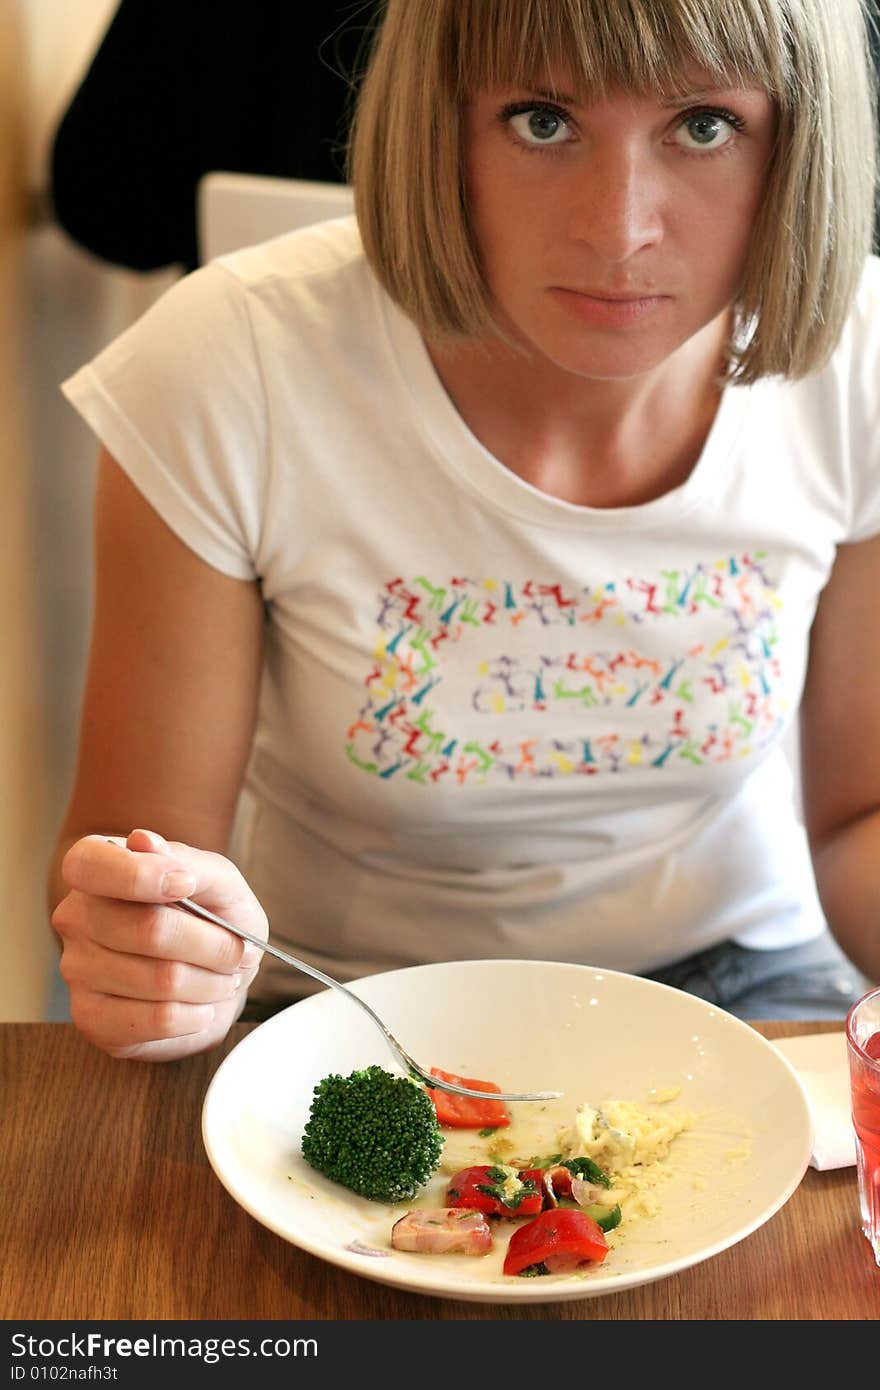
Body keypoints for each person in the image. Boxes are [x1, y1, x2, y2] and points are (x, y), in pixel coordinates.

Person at [51, 0, 880, 1063]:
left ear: (802, 142)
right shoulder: (226, 370)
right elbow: (128, 864)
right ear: (437, 124)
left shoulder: (857, 366)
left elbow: (858, 819)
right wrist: (158, 950)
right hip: (337, 996)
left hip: (744, 980)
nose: (617, 228)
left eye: (704, 125)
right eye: (541, 120)